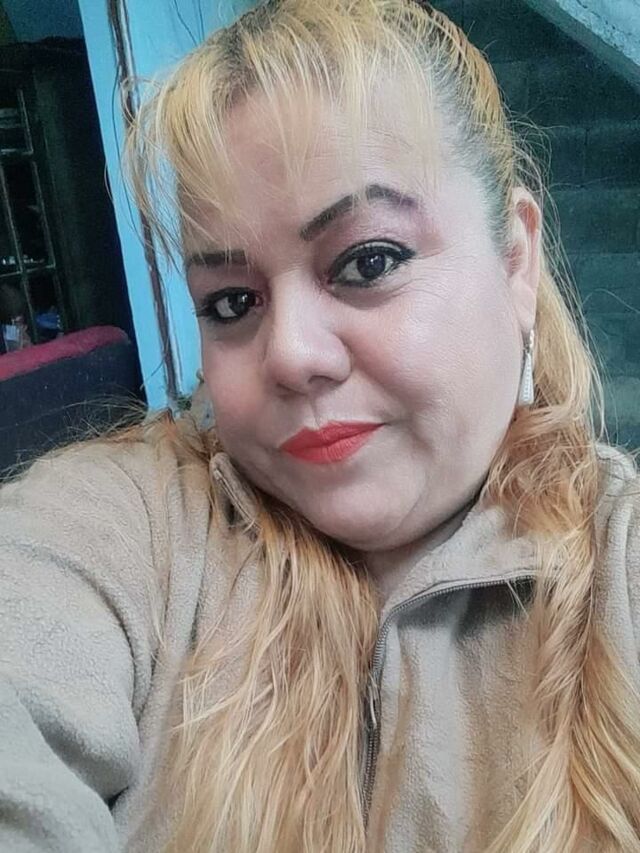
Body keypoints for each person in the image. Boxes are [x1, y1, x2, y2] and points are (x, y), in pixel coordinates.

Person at [1, 1, 639, 851]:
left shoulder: (621, 568)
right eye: (232, 302)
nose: (291, 355)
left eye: (369, 261)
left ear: (515, 262)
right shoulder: (136, 526)